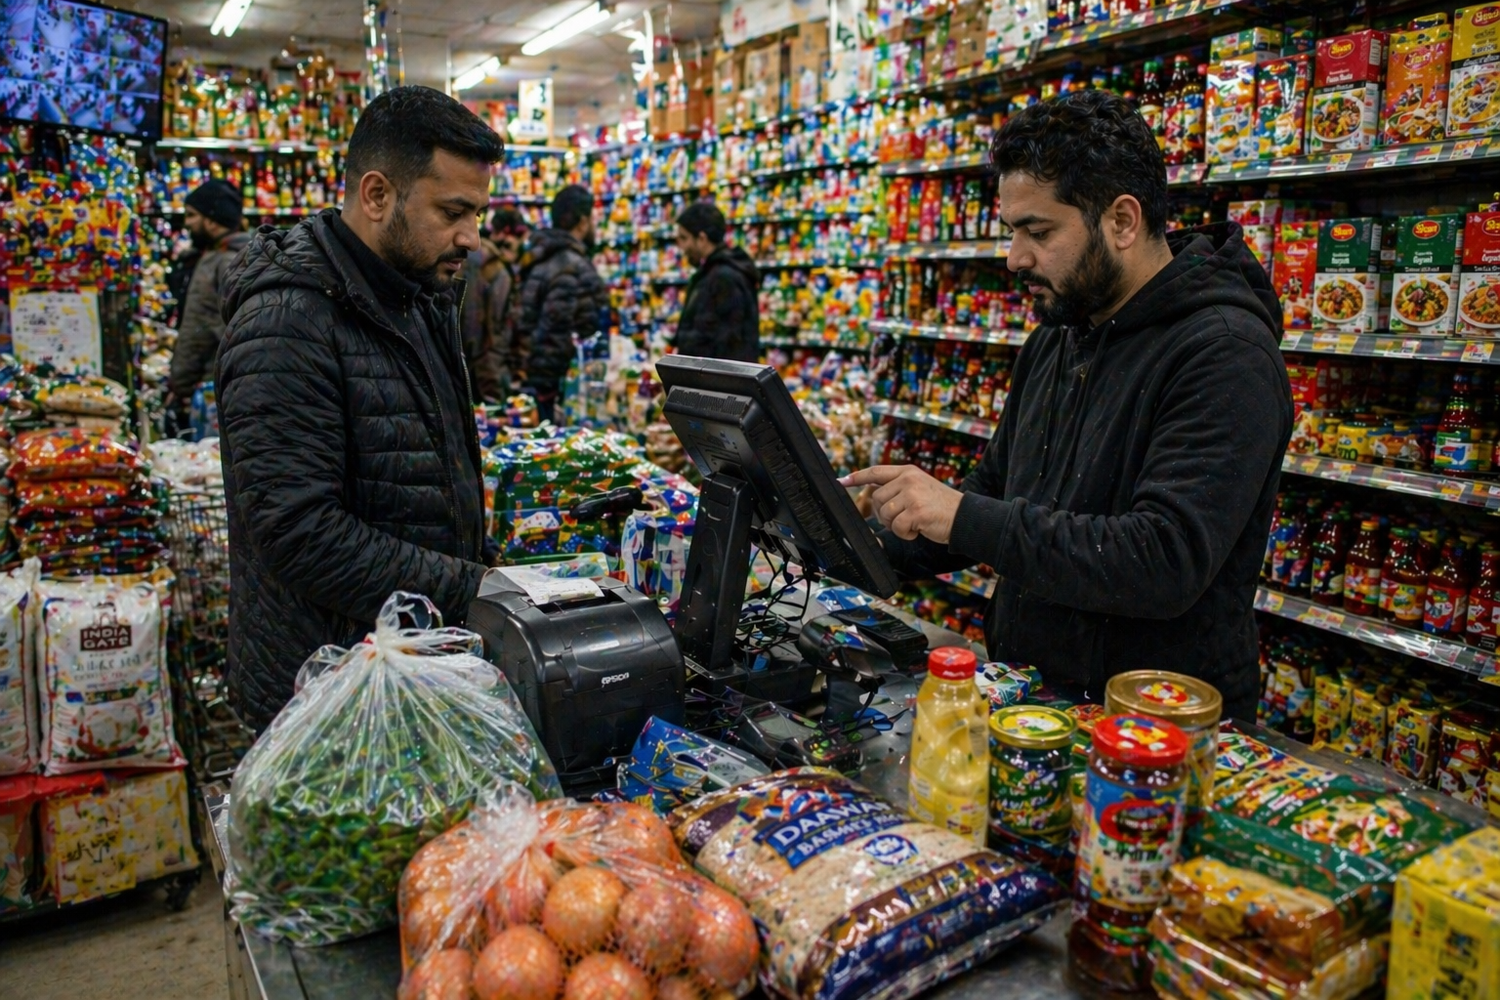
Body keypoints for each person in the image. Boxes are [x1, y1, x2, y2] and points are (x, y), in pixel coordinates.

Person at [843, 90, 1292, 721]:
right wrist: (853, 544)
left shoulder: (1225, 353)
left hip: (1154, 733)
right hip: (1037, 703)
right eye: (1011, 232)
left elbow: (1164, 559)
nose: (1015, 257)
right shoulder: (1056, 337)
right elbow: (1000, 491)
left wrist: (964, 516)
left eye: (1038, 231)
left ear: (1123, 221)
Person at [214, 86, 502, 732]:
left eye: (477, 213)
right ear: (376, 196)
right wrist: (467, 587)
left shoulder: (419, 297)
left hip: (402, 673)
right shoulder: (287, 320)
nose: (472, 238)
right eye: (454, 211)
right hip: (323, 702)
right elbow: (299, 529)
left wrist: (479, 556)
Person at [518, 183, 610, 422]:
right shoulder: (576, 267)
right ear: (582, 222)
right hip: (562, 389)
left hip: (534, 382)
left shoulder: (537, 260)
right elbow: (568, 332)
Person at [168, 179, 250, 404]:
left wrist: (180, 384)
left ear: (212, 220)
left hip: (212, 388)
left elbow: (198, 329)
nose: (187, 223)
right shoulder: (251, 254)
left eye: (192, 215)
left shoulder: (218, 262)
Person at [672, 202, 760, 362]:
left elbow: (723, 342)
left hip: (721, 382)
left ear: (702, 238)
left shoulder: (723, 278)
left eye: (684, 238)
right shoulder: (716, 272)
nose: (682, 247)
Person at [484, 207, 530, 397]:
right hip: (492, 370)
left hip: (498, 367)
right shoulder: (495, 272)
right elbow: (494, 330)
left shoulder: (516, 270)